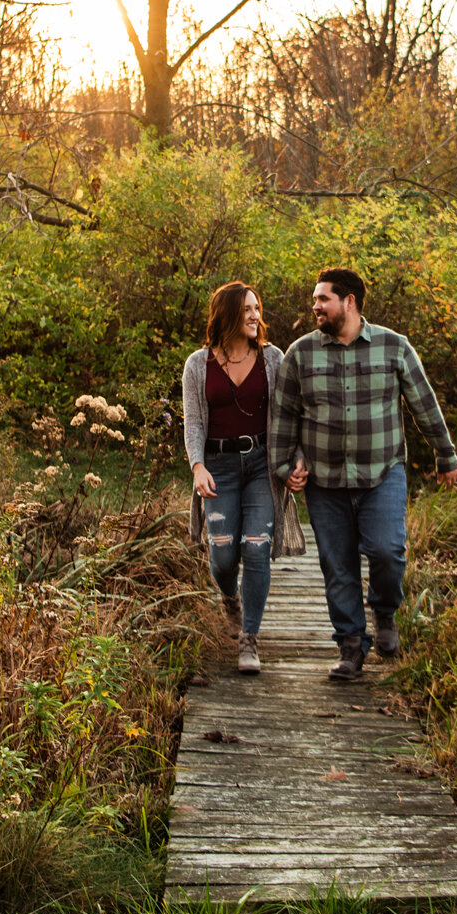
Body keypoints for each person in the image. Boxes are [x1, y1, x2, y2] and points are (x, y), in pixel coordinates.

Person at [271, 267, 457, 681]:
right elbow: (284, 415)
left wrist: (445, 454)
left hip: (383, 473)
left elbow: (423, 404)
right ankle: (351, 647)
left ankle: (385, 612)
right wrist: (284, 466)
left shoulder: (394, 347)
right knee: (337, 566)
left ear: (349, 302)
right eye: (315, 299)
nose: (315, 306)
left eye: (323, 299)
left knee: (387, 552)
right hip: (325, 481)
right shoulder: (301, 354)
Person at [181, 280, 303, 675]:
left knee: (255, 548)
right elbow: (195, 422)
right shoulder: (198, 365)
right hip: (218, 468)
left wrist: (295, 459)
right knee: (222, 555)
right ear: (228, 314)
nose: (256, 316)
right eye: (247, 309)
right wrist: (197, 466)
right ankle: (229, 596)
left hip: (261, 466)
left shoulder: (273, 359)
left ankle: (249, 638)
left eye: (257, 308)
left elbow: (290, 415)